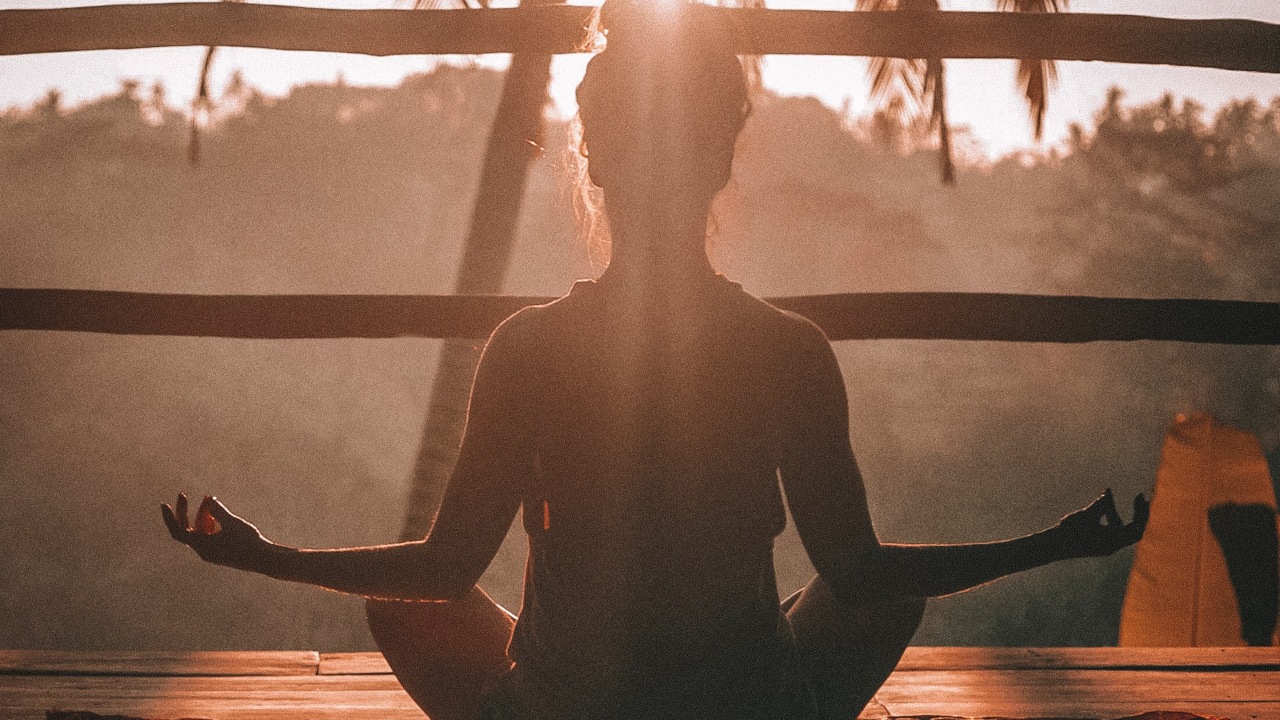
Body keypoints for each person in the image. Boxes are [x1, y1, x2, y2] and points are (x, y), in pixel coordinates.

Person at [162, 2, 1149, 718]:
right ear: (723, 153)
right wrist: (1050, 544)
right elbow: (856, 569)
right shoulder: (784, 351)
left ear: (590, 152)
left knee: (402, 606)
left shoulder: (531, 349)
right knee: (881, 599)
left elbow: (443, 567)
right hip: (742, 706)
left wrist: (265, 556)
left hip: (566, 709)